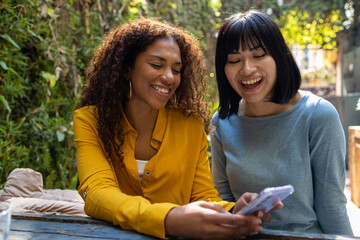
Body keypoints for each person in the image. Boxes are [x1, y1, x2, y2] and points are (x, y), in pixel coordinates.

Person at [74, 17, 279, 239]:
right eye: (156, 65)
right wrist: (168, 218)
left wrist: (232, 211)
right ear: (126, 68)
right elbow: (97, 193)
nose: (169, 77)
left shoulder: (190, 125)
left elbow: (203, 196)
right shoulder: (90, 120)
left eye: (177, 69)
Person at [211, 10, 354, 236]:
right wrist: (233, 212)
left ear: (280, 57)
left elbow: (332, 207)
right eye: (234, 60)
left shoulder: (318, 115)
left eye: (258, 55)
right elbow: (222, 202)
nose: (247, 69)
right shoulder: (222, 122)